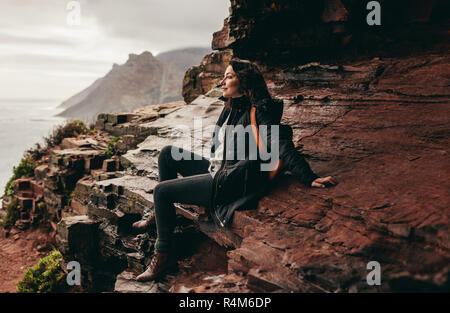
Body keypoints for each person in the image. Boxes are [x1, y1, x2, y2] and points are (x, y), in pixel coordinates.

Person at [134, 60, 337, 282]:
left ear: (245, 80)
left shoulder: (260, 110)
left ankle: (163, 255)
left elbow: (281, 144)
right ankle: (161, 214)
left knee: (162, 191)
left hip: (231, 180)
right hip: (219, 169)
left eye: (229, 76)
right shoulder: (231, 106)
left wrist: (309, 177)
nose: (222, 81)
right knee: (167, 154)